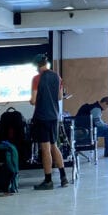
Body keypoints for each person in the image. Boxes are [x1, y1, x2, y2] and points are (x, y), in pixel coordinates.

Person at [30, 54, 68, 190]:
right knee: (54, 145)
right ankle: (64, 177)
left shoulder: (36, 79)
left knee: (45, 149)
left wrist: (33, 100)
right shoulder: (57, 77)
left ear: (36, 65)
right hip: (54, 117)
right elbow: (59, 96)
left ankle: (48, 181)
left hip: (42, 117)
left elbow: (33, 100)